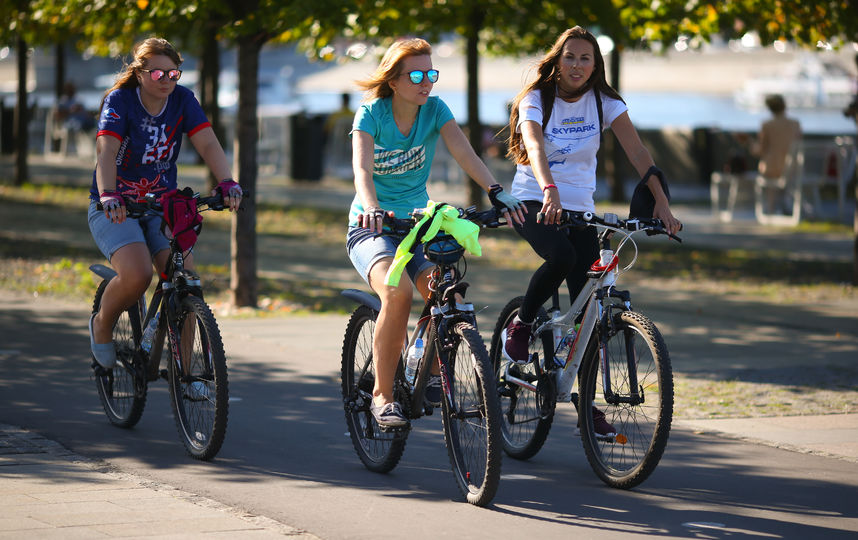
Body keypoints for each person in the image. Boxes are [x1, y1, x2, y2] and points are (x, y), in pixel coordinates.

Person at [500, 26, 681, 436]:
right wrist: (549, 190)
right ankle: (524, 322)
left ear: (595, 64)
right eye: (570, 57)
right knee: (560, 256)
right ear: (558, 61)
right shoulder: (537, 98)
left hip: (580, 207)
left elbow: (637, 151)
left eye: (586, 58)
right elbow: (534, 145)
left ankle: (586, 405)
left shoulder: (605, 102)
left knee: (590, 311)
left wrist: (663, 203)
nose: (578, 65)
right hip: (534, 198)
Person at [347, 37, 526, 428]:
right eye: (416, 74)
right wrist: (372, 207)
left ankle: (426, 368)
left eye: (431, 73)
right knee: (398, 293)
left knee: (449, 292)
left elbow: (466, 153)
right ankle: (383, 396)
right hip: (373, 226)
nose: (426, 82)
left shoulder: (436, 110)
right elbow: (362, 171)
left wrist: (496, 192)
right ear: (394, 80)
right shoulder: (371, 114)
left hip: (419, 223)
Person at [87, 37, 242, 375]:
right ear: (140, 73)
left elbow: (208, 143)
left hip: (162, 204)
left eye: (174, 74)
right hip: (115, 205)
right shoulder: (120, 101)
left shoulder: (183, 100)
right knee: (139, 273)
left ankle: (186, 373)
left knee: (185, 280)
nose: (168, 81)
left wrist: (227, 182)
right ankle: (101, 324)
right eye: (159, 74)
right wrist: (109, 194)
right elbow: (106, 153)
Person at [753, 94, 801, 214]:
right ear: (784, 106)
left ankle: (771, 209)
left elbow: (761, 150)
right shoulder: (796, 124)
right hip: (793, 168)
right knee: (782, 173)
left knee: (769, 172)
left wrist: (749, 145)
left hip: (772, 169)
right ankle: (784, 207)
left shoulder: (767, 125)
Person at [324, 92, 355, 178]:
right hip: (350, 143)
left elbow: (327, 129)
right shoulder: (354, 114)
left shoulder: (336, 115)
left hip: (336, 143)